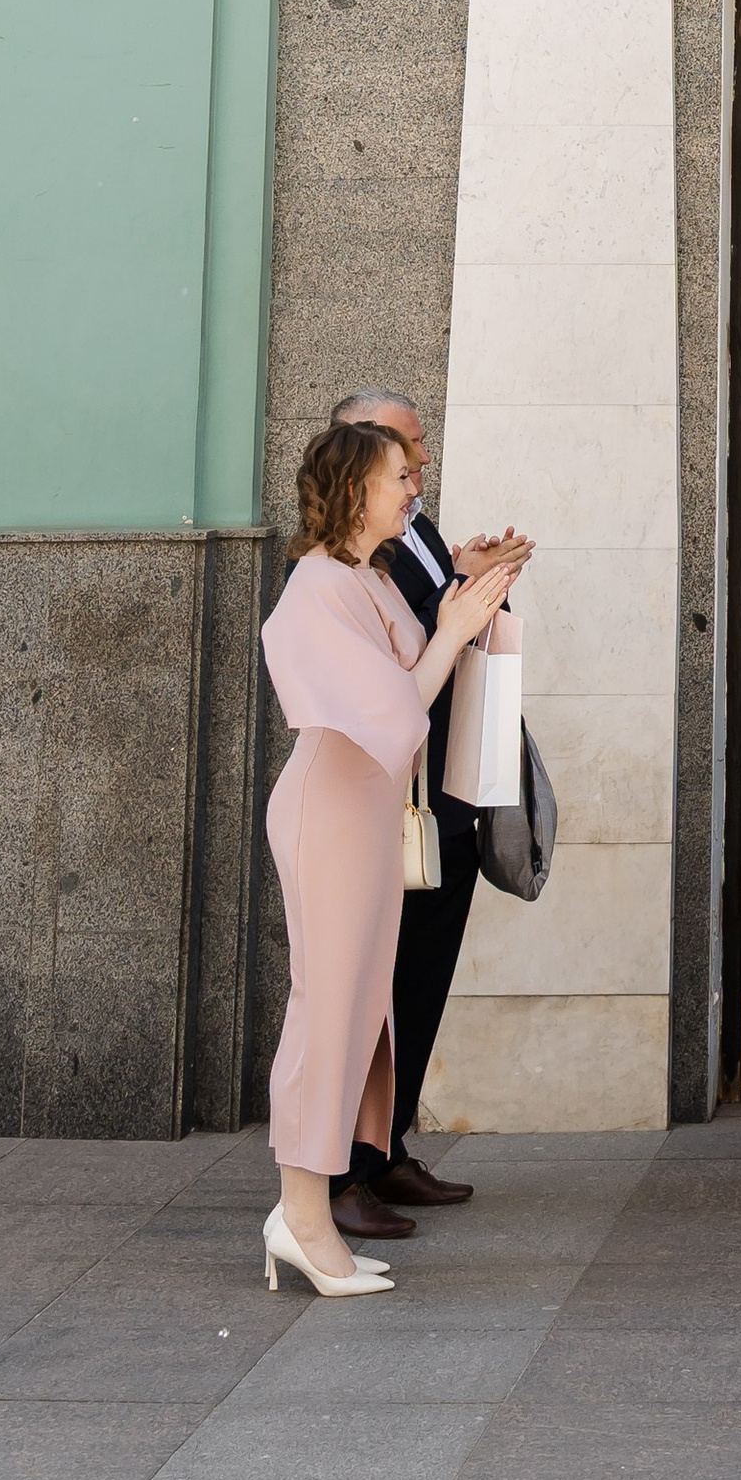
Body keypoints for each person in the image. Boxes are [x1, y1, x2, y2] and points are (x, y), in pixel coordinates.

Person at [258, 417, 513, 1297]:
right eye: (400, 476)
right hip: (328, 815)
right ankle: (301, 1213)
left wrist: (469, 598)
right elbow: (397, 712)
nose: (414, 489)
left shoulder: (365, 579)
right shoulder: (318, 588)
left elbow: (429, 670)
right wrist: (451, 629)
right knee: (327, 1010)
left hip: (365, 817)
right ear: (354, 489)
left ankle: (313, 1212)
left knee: (364, 1012)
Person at [330, 388, 533, 1245]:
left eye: (419, 454)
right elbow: (402, 649)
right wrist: (457, 596)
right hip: (389, 800)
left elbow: (439, 615)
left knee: (422, 979)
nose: (419, 471)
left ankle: (390, 1140)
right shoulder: (342, 562)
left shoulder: (414, 529)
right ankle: (340, 1173)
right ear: (355, 461)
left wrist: (473, 574)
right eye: (403, 456)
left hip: (443, 792)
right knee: (368, 991)